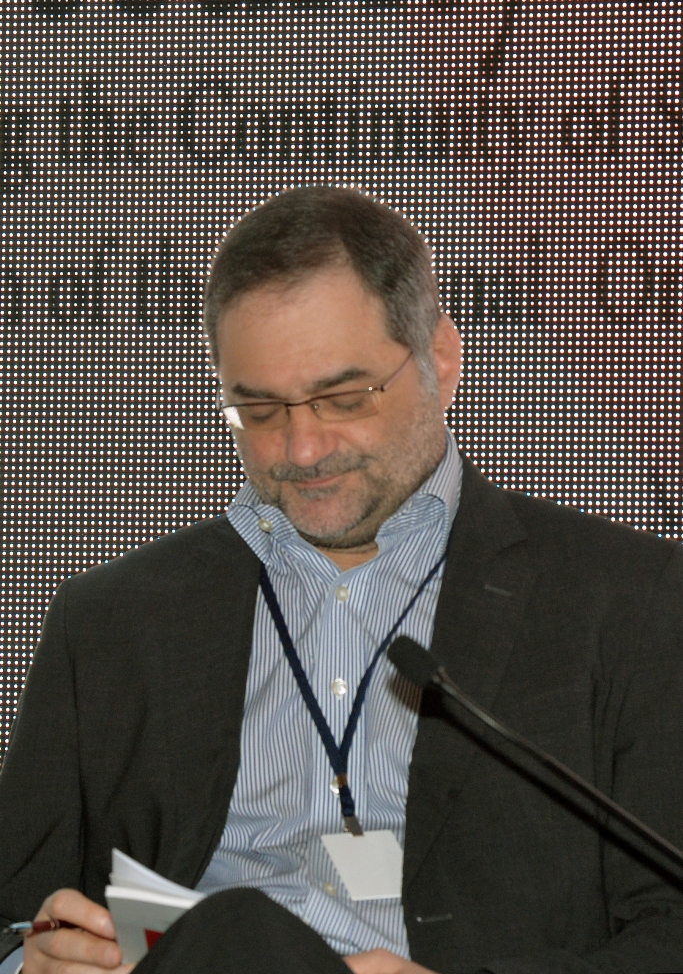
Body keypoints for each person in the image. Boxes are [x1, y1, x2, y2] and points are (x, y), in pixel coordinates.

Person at [1, 185, 683, 974]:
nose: (301, 448)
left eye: (341, 397)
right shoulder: (110, 620)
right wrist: (33, 961)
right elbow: (17, 914)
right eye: (259, 411)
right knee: (237, 931)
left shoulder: (628, 600)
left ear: (440, 359)